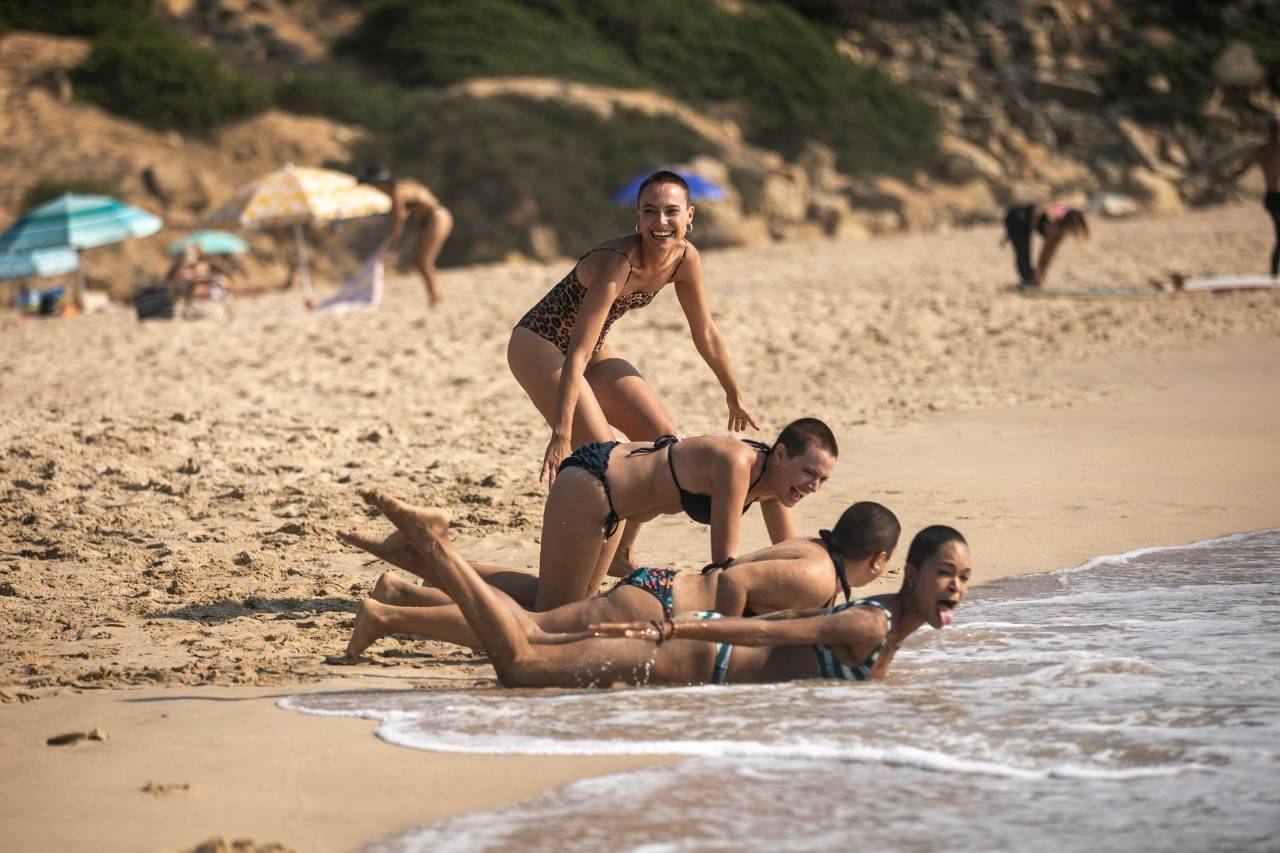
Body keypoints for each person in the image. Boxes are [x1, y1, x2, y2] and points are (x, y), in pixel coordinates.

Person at [354, 489, 969, 686]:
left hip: (691, 636)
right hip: (689, 640)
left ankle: (401, 598)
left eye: (963, 578)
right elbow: (760, 623)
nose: (956, 588)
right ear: (899, 568)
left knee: (530, 636)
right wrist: (674, 628)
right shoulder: (865, 621)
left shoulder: (871, 615)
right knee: (519, 660)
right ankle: (434, 548)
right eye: (946, 573)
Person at [507, 170, 759, 568]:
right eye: (650, 212)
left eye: (671, 212)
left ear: (690, 215)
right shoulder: (618, 262)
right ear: (637, 218)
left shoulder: (685, 258)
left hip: (594, 349)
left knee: (665, 444)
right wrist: (561, 431)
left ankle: (622, 553)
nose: (661, 222)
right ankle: (583, 560)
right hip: (539, 344)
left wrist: (733, 391)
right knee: (608, 459)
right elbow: (576, 352)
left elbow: (705, 331)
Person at [339, 417, 839, 611]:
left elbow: (781, 559)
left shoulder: (774, 488)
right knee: (550, 616)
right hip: (591, 484)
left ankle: (409, 566)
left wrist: (816, 607)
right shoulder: (737, 463)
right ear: (779, 454)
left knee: (562, 604)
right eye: (807, 473)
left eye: (822, 481)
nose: (811, 487)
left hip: (615, 505)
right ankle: (410, 577)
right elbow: (724, 567)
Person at [358, 165, 454, 307]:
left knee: (424, 261)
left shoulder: (398, 193)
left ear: (379, 183)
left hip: (437, 218)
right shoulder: (404, 184)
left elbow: (398, 224)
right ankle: (435, 297)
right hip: (431, 219)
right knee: (420, 261)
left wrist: (389, 248)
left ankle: (436, 298)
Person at [1219, 118, 1280, 276]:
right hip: (1275, 197)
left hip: (1272, 197)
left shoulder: (1261, 151)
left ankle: (1273, 273)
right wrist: (1226, 180)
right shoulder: (1268, 151)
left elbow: (1242, 170)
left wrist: (1227, 180)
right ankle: (1273, 274)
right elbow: (1243, 169)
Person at [1002, 202, 1090, 289]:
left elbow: (1049, 252)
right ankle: (1028, 279)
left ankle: (1029, 279)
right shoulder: (1054, 220)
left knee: (1029, 265)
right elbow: (1038, 209)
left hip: (1025, 220)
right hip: (1016, 216)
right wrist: (1038, 274)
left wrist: (1041, 272)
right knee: (1023, 253)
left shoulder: (1060, 230)